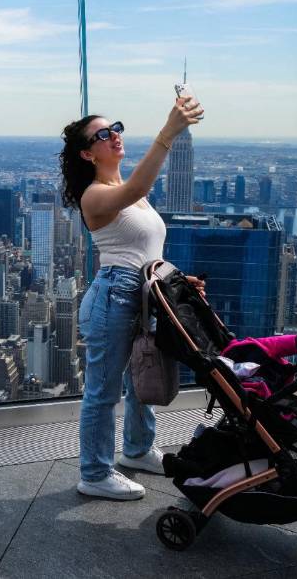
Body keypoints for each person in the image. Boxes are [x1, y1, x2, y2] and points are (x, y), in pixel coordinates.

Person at [59, 97, 206, 500]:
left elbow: (146, 251)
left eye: (115, 128)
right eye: (102, 135)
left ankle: (138, 450)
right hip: (114, 296)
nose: (114, 136)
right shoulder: (95, 196)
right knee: (103, 392)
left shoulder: (130, 194)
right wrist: (169, 130)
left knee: (142, 374)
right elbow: (141, 184)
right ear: (88, 153)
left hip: (143, 293)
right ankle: (94, 473)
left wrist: (177, 281)